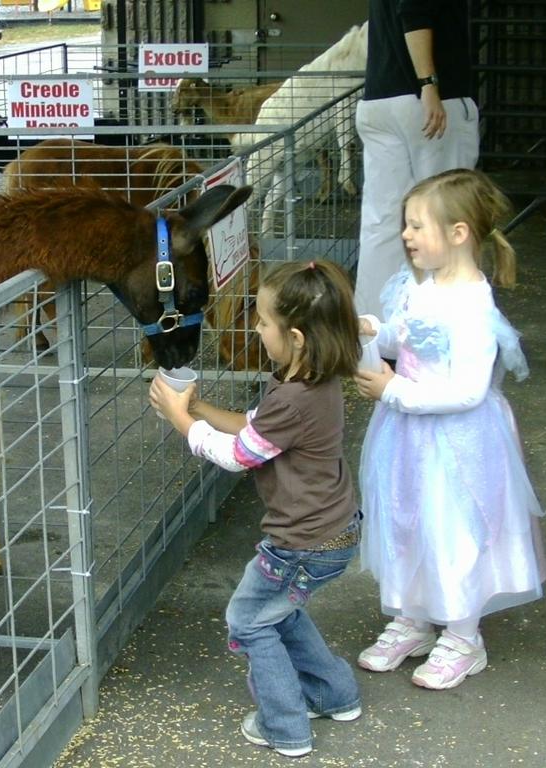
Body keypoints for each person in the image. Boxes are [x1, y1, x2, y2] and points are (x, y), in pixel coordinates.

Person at [150, 260, 363, 758]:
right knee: (279, 612)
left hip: (301, 544)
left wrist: (183, 422)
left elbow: (238, 455)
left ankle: (284, 726)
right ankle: (336, 695)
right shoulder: (312, 381)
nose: (254, 327)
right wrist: (199, 410)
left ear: (294, 336)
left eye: (262, 322)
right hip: (331, 531)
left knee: (248, 620)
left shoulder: (292, 399)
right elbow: (254, 429)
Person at [354, 169, 546, 690]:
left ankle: (463, 634)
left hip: (457, 439)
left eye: (418, 225)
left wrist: (394, 391)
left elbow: (468, 390)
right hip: (406, 432)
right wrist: (376, 327)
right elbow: (409, 333)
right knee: (405, 518)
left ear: (459, 233)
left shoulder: (473, 306)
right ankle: (411, 616)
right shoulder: (426, 285)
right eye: (406, 224)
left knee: (454, 528)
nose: (406, 235)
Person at [353, 0, 480, 318]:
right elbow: (413, 10)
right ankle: (445, 324)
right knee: (447, 214)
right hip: (431, 102)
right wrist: (428, 83)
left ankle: (374, 335)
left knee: (382, 223)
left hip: (380, 100)